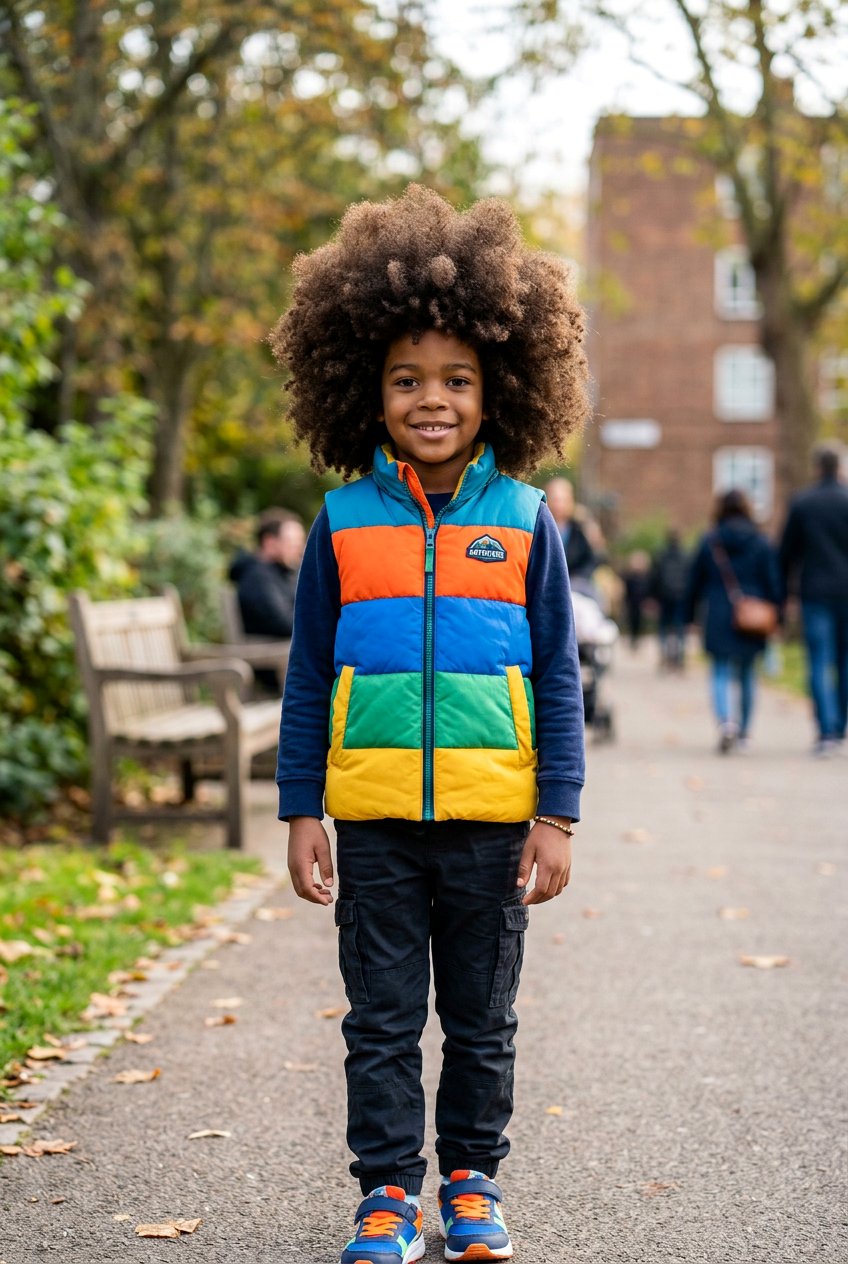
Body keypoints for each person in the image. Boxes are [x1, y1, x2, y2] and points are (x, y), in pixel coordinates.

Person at [270, 186, 588, 1264]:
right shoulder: (342, 522)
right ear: (364, 389)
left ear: (500, 389)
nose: (431, 399)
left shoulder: (525, 520)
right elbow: (309, 671)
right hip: (371, 821)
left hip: (493, 822)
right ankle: (383, 1194)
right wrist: (298, 805)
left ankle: (470, 1180)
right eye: (406, 380)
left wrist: (557, 815)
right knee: (380, 1020)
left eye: (455, 379)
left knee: (483, 1019)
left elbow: (557, 676)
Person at [685, 489, 780, 753]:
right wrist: (777, 615)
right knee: (748, 673)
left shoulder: (710, 540)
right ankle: (745, 733)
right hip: (754, 614)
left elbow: (694, 582)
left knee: (720, 670)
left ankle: (726, 722)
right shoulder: (761, 541)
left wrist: (689, 616)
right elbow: (773, 582)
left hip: (718, 613)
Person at [778, 442, 848, 755]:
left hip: (815, 593)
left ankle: (826, 731)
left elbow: (786, 553)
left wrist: (783, 594)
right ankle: (841, 725)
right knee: (845, 661)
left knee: (819, 661)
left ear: (817, 467)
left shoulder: (803, 503)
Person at [228, 509, 306, 691]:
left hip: (288, 657)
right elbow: (285, 623)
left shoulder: (283, 573)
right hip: (271, 664)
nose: (299, 549)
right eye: (292, 542)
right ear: (270, 542)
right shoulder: (257, 577)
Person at [543, 476, 597, 583]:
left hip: (576, 582)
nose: (559, 506)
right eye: (555, 500)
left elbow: (591, 560)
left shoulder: (580, 527)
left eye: (563, 500)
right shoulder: (540, 526)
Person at [651, 529, 689, 670]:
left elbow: (655, 577)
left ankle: (664, 655)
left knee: (663, 627)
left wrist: (653, 596)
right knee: (680, 628)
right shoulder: (685, 556)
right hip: (681, 596)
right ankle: (679, 657)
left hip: (664, 596)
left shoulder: (661, 556)